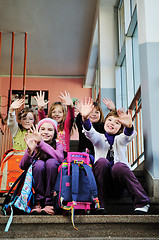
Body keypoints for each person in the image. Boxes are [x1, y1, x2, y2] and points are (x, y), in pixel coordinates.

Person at [77, 97, 150, 214]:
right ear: (105, 122)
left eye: (117, 123)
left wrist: (129, 127)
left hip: (119, 186)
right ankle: (99, 205)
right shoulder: (99, 138)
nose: (112, 124)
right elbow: (90, 133)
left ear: (120, 128)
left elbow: (127, 136)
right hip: (102, 184)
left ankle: (142, 202)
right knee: (101, 162)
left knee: (119, 166)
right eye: (110, 120)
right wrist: (85, 118)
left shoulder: (120, 139)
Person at [19, 118, 64, 215]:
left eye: (50, 130)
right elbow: (22, 166)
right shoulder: (34, 145)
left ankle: (50, 203)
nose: (46, 132)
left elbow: (59, 158)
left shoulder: (58, 145)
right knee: (39, 164)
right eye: (42, 129)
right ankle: (38, 203)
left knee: (51, 162)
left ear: (55, 133)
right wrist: (30, 151)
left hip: (53, 184)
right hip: (37, 185)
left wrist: (41, 143)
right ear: (38, 132)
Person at [35, 91, 74, 156]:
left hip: (63, 156)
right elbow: (42, 119)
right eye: (54, 112)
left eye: (60, 112)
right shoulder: (48, 125)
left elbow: (71, 117)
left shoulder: (66, 126)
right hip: (49, 154)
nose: (56, 114)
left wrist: (70, 106)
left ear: (64, 114)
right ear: (50, 113)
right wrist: (41, 109)